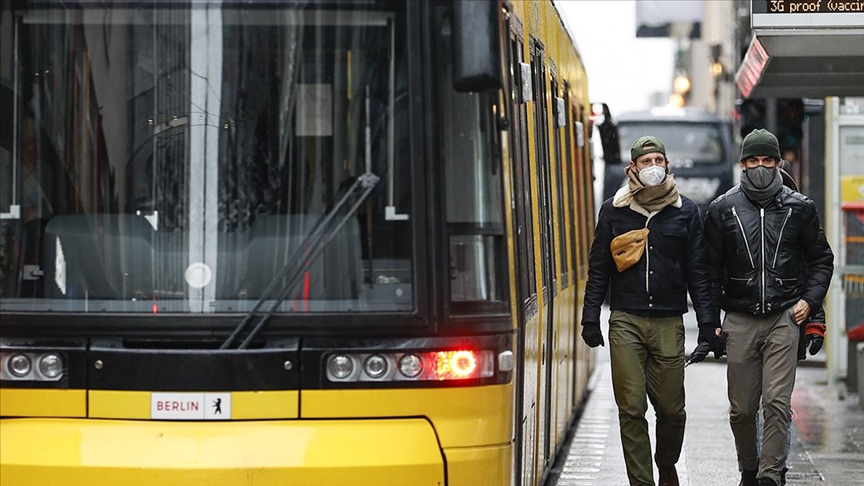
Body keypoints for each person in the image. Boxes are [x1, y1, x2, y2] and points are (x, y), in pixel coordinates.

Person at [581, 135, 719, 486]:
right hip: (625, 320)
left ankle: (666, 461)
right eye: (646, 161)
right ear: (633, 168)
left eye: (659, 159)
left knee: (672, 411)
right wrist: (590, 316)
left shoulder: (685, 211)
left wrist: (707, 326)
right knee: (631, 409)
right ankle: (641, 481)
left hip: (669, 322)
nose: (653, 166)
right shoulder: (614, 211)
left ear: (667, 165)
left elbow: (698, 272)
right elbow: (599, 267)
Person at [702, 129, 833, 486]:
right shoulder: (722, 210)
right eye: (753, 161)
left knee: (776, 401)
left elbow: (821, 259)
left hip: (785, 317)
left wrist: (810, 301)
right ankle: (749, 467)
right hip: (740, 318)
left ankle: (770, 475)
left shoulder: (800, 208)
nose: (760, 167)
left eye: (767, 160)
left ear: (778, 163)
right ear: (742, 164)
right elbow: (709, 271)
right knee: (742, 410)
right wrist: (709, 322)